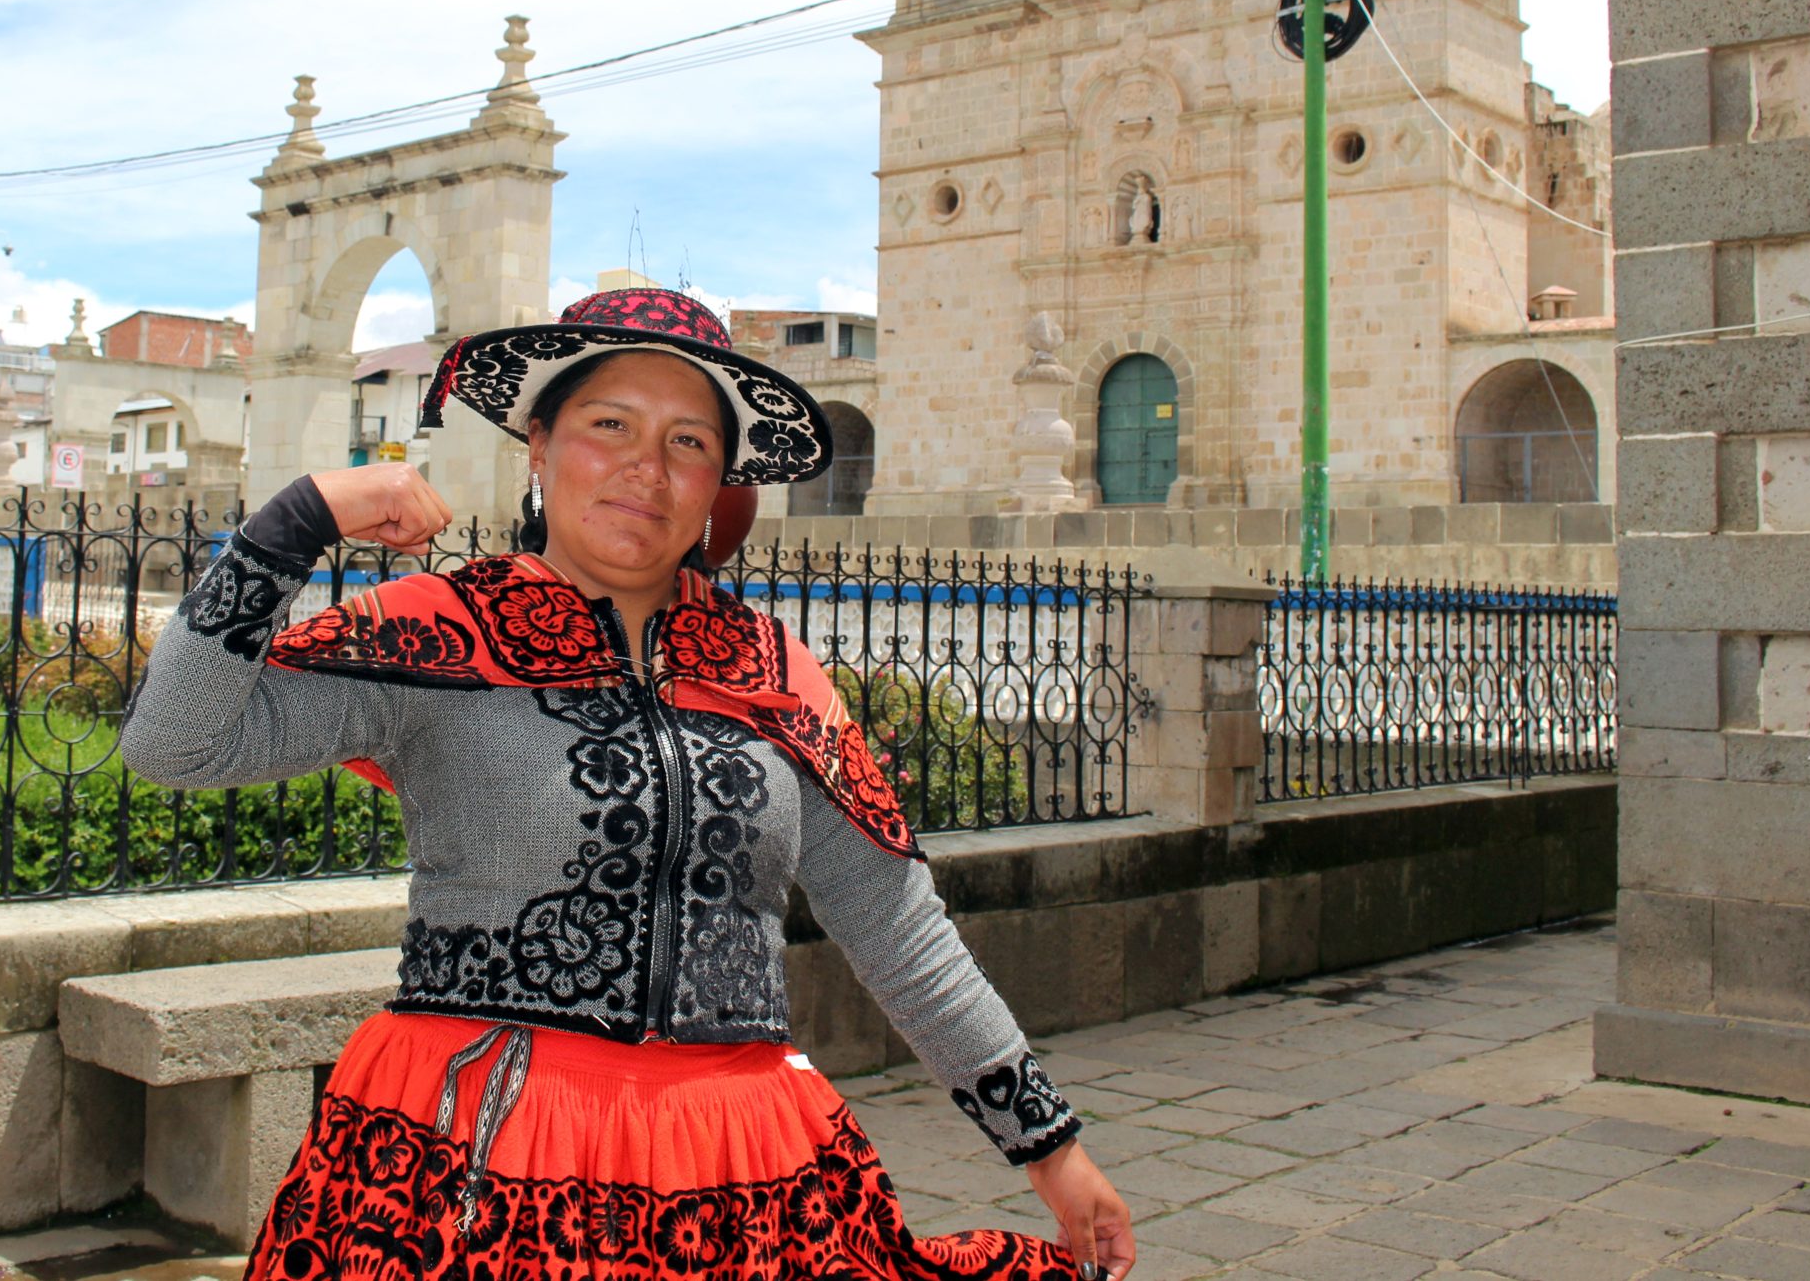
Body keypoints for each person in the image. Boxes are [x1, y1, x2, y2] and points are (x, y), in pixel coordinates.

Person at [123, 285, 1135, 1281]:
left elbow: (897, 927)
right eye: (610, 425)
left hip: (739, 1170)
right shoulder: (435, 626)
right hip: (475, 1151)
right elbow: (176, 741)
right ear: (540, 444)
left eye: (689, 441)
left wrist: (1051, 1149)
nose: (647, 468)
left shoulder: (777, 673)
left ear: (717, 484)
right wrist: (296, 520)